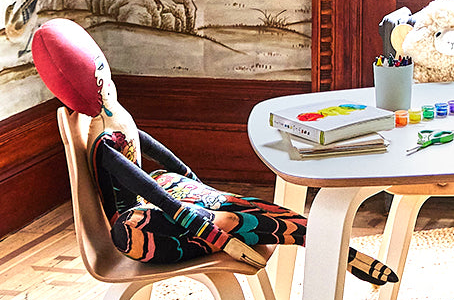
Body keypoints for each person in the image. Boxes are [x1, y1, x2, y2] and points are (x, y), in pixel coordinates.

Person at [32, 18, 397, 285]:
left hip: (164, 194)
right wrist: (187, 216)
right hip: (137, 218)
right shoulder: (102, 139)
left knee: (227, 201)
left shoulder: (115, 119)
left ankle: (284, 232)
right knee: (133, 231)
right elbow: (139, 184)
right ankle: (234, 228)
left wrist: (189, 178)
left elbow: (146, 147)